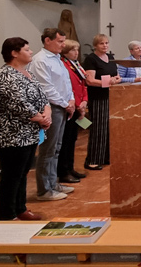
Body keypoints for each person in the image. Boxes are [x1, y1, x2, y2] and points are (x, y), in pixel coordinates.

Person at [0, 37, 53, 219]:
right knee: (12, 176)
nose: (31, 52)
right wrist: (40, 119)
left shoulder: (27, 73)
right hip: (11, 134)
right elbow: (18, 104)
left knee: (23, 173)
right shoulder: (5, 75)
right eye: (26, 49)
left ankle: (20, 208)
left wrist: (47, 113)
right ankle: (7, 215)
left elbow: (43, 97)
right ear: (14, 53)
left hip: (29, 133)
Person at [29, 28, 75, 201]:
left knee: (56, 148)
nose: (63, 45)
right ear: (47, 40)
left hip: (62, 106)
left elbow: (66, 83)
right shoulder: (40, 60)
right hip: (51, 107)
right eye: (60, 41)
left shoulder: (58, 59)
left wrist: (71, 100)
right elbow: (46, 88)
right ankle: (44, 190)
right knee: (48, 149)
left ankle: (53, 183)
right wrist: (65, 103)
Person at [82, 34, 122, 170]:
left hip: (110, 96)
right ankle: (93, 159)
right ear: (95, 45)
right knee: (98, 129)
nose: (105, 45)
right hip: (97, 97)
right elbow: (90, 80)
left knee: (109, 129)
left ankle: (105, 156)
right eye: (101, 43)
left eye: (106, 43)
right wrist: (108, 82)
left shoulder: (110, 57)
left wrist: (117, 79)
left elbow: (116, 75)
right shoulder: (91, 59)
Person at [58, 39, 89, 184]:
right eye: (72, 50)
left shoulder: (76, 65)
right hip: (70, 106)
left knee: (72, 140)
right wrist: (77, 104)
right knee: (65, 141)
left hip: (79, 105)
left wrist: (84, 101)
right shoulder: (63, 65)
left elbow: (83, 84)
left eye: (77, 50)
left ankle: (70, 168)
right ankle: (63, 171)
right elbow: (68, 87)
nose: (76, 53)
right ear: (65, 51)